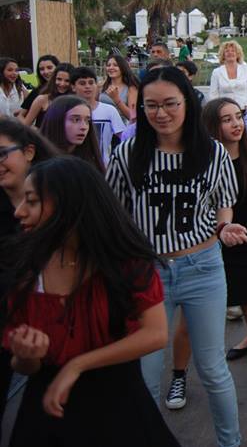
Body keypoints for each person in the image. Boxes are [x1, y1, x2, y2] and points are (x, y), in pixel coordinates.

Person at [106, 66, 245, 447]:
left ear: (188, 102)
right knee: (146, 374)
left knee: (213, 368)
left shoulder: (212, 152)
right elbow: (114, 212)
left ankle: (230, 443)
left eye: (170, 103)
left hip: (203, 267)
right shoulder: (128, 153)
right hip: (147, 273)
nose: (161, 113)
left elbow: (223, 203)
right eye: (151, 105)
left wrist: (224, 227)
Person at [1, 157, 179, 447]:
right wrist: (26, 354)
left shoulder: (126, 263)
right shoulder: (25, 268)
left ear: (69, 205)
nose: (19, 211)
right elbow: (25, 367)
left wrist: (77, 365)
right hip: (48, 410)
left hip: (119, 408)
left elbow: (155, 334)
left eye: (31, 201)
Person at [165, 98, 247, 409]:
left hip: (241, 248)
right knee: (189, 325)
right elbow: (191, 213)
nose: (236, 124)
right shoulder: (199, 163)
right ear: (211, 126)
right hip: (205, 250)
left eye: (238, 117)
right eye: (226, 119)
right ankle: (178, 377)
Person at [0, 121, 57, 422]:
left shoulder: (62, 198)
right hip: (9, 327)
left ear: (29, 152)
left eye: (2, 154)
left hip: (58, 327)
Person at [71, 66, 124, 166]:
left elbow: (123, 136)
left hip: (103, 167)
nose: (87, 86)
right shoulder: (68, 111)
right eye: (82, 83)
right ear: (73, 87)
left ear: (97, 85)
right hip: (75, 166)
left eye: (91, 83)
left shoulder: (109, 110)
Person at [39, 95, 105, 173]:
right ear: (57, 121)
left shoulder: (91, 164)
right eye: (76, 120)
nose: (83, 127)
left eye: (87, 121)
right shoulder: (40, 165)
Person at [19, 63, 74, 128]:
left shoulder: (76, 100)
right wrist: (38, 131)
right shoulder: (42, 99)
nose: (62, 84)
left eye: (67, 81)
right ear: (54, 79)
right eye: (59, 79)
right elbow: (26, 125)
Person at [208, 40, 247, 111]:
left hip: (245, 109)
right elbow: (213, 94)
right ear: (223, 55)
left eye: (233, 51)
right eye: (227, 51)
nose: (230, 53)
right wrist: (218, 109)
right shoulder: (216, 72)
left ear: (237, 54)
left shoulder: (246, 70)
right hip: (224, 110)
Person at [101, 53, 140, 122]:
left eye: (115, 65)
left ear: (123, 68)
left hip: (121, 125)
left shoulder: (131, 89)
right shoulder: (101, 86)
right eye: (108, 65)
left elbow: (132, 117)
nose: (111, 68)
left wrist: (116, 99)